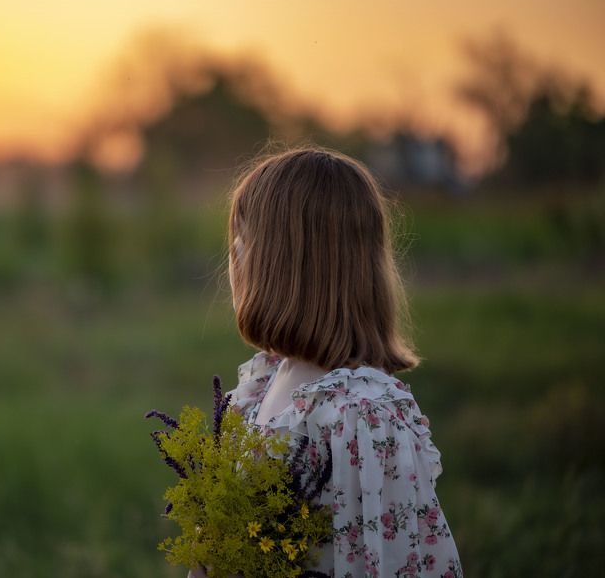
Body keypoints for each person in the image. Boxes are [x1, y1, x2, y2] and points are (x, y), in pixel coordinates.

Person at [192, 147, 463, 577]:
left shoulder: (363, 418)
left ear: (272, 267)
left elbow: (391, 560)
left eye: (238, 244)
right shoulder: (261, 384)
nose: (233, 259)